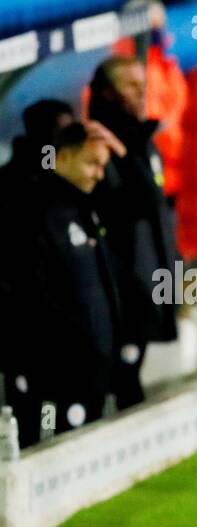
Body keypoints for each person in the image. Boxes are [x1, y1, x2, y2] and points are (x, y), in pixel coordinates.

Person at [1, 123, 125, 446]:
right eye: (92, 163)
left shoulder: (87, 209)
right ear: (64, 157)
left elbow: (138, 202)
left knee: (83, 450)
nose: (99, 174)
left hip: (91, 373)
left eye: (103, 165)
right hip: (52, 380)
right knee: (46, 440)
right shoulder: (34, 213)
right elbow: (24, 296)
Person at [88, 55, 181, 413]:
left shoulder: (143, 139)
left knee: (132, 376)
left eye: (144, 85)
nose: (141, 93)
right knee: (123, 383)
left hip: (152, 277)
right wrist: (125, 154)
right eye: (131, 85)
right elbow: (132, 205)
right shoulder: (100, 146)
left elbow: (156, 208)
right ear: (108, 93)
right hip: (125, 287)